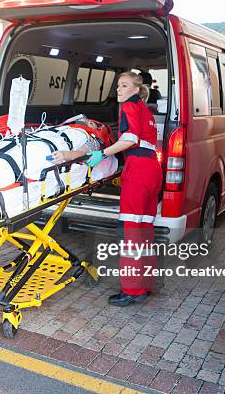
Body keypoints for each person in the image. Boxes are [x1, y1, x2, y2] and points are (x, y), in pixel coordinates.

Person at [85, 72, 162, 306]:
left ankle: (131, 290)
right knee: (145, 230)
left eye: (125, 85)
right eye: (118, 85)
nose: (118, 89)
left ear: (136, 89)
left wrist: (102, 153)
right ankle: (144, 285)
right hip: (152, 170)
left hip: (138, 170)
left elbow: (129, 139)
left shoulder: (129, 106)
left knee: (130, 231)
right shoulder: (145, 109)